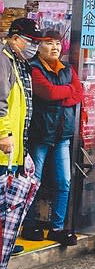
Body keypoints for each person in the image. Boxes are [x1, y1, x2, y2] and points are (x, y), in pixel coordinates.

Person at [20, 30, 81, 246]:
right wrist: (65, 93)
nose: (55, 47)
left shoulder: (67, 68)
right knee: (33, 181)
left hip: (62, 136)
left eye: (57, 43)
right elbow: (47, 93)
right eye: (49, 43)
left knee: (64, 182)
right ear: (38, 46)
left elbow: (78, 93)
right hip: (40, 135)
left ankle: (57, 227)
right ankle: (29, 224)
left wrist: (60, 94)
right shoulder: (33, 67)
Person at [0, 18, 45, 255]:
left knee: (7, 205)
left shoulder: (19, 62)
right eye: (30, 41)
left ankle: (3, 245)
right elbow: (0, 103)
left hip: (14, 148)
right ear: (15, 38)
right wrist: (4, 134)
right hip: (3, 147)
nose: (34, 47)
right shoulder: (3, 60)